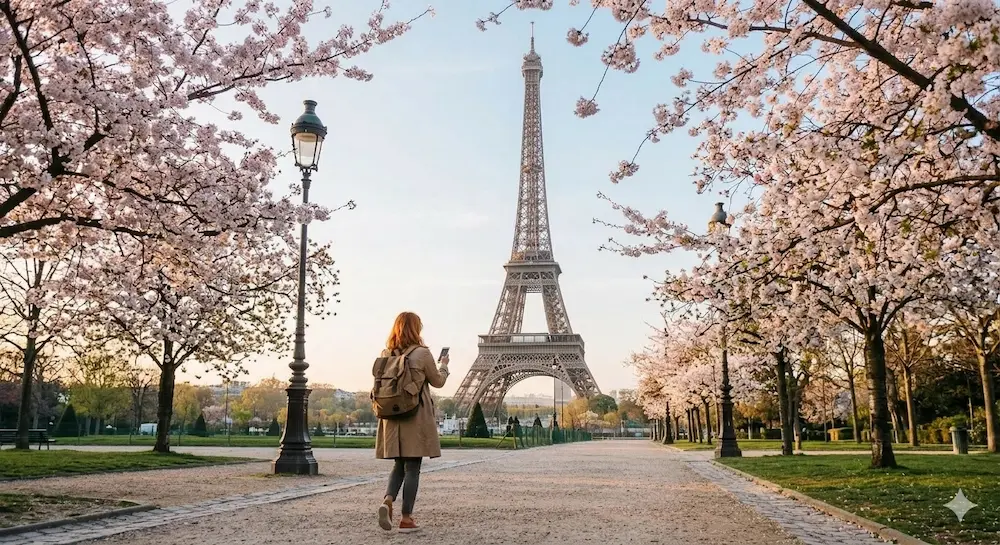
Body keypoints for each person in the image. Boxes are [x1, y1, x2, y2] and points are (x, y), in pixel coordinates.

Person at [375, 311, 449, 532]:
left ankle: (388, 500)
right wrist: (444, 365)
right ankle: (406, 518)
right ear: (417, 329)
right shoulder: (422, 353)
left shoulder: (385, 353)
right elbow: (438, 382)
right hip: (414, 415)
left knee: (399, 464)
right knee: (413, 467)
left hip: (390, 417)